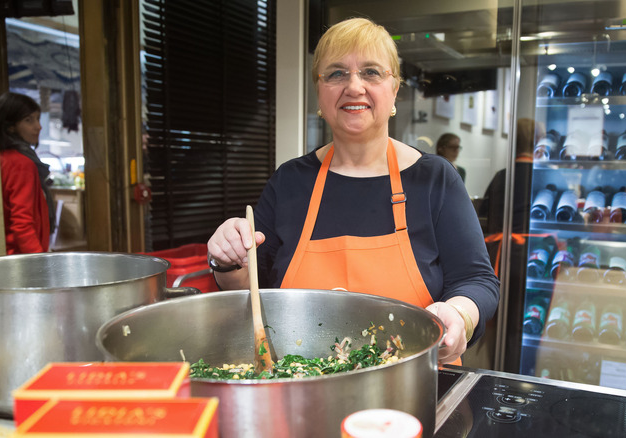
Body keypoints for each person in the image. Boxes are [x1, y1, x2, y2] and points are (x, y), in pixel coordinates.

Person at [206, 18, 499, 365]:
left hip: (413, 386)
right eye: (336, 74)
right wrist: (226, 261)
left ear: (394, 89)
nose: (354, 87)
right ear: (320, 92)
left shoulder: (434, 178)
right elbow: (251, 291)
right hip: (304, 385)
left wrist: (458, 314)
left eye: (371, 72)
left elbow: (477, 280)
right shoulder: (290, 181)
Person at [0, 92, 55, 254]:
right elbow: (22, 224)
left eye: (37, 118)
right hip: (20, 258)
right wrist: (40, 263)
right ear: (10, 126)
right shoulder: (20, 163)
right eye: (28, 120)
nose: (38, 126)